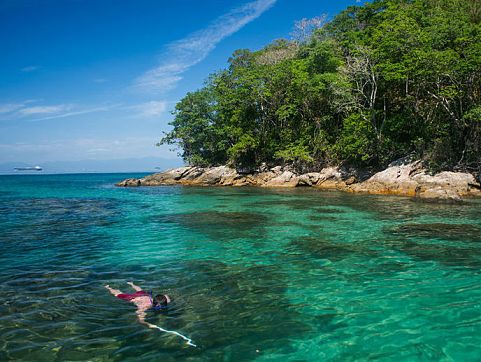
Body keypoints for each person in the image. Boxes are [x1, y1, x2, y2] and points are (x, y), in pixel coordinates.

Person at [105, 281, 171, 328]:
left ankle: (131, 283)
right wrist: (148, 324)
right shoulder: (144, 307)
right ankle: (108, 288)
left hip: (144, 294)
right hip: (133, 298)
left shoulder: (164, 300)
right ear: (156, 305)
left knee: (140, 290)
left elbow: (165, 296)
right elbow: (140, 319)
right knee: (118, 294)